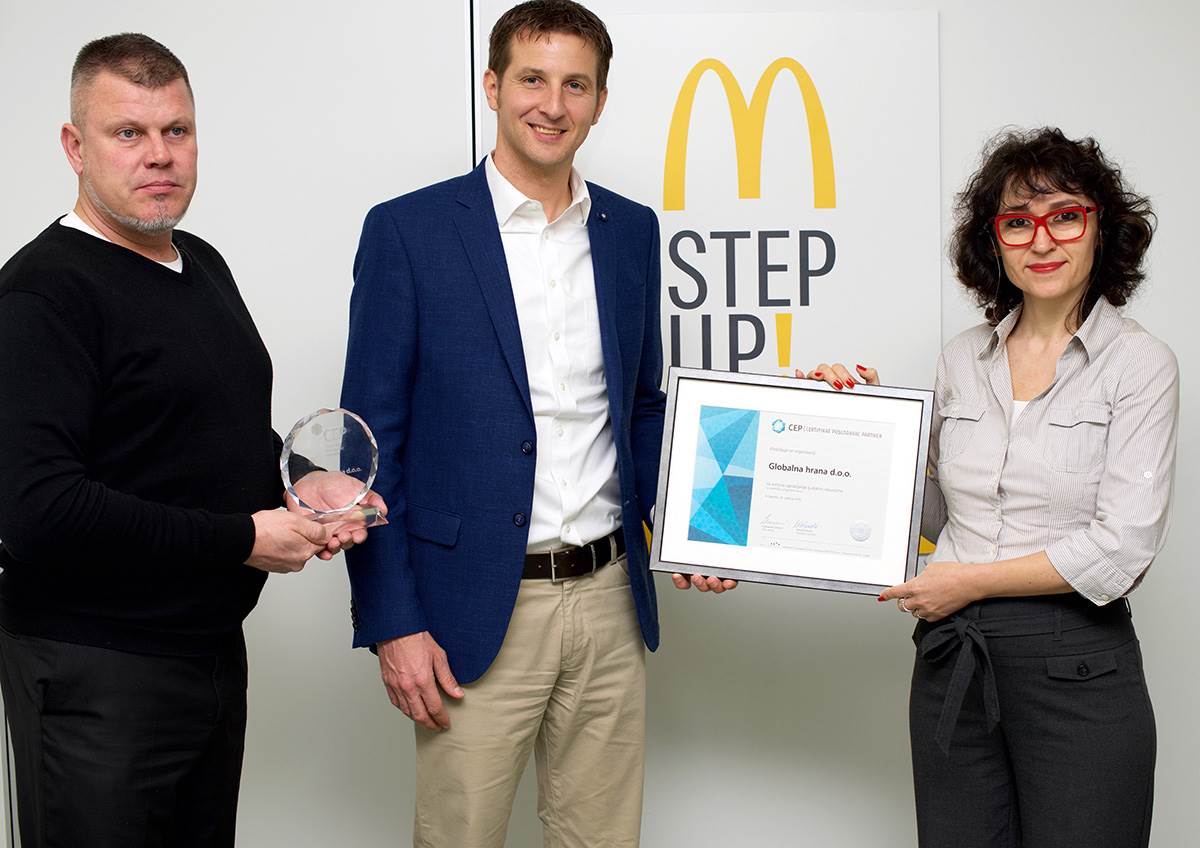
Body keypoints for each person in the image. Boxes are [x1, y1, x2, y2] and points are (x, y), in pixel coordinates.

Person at [340, 2, 733, 845]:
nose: (553, 105)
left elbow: (642, 405)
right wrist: (392, 622)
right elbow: (367, 448)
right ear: (492, 86)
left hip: (609, 600)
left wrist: (699, 524)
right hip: (472, 608)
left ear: (600, 100)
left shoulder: (630, 230)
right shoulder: (408, 232)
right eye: (532, 79)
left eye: (576, 85)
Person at [0, 33, 381, 847]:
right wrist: (243, 538)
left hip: (206, 661)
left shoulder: (199, 263)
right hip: (92, 676)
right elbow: (39, 511)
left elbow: (201, 431)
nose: (159, 155)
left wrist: (299, 482)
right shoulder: (41, 293)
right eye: (128, 132)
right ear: (75, 146)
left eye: (176, 130)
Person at [806, 127, 1174, 847]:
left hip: (1077, 663)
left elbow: (1121, 548)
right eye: (1018, 223)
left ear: (1101, 227)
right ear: (994, 242)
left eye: (1065, 216)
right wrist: (865, 428)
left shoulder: (1139, 365)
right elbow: (934, 516)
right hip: (954, 661)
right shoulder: (961, 361)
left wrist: (969, 583)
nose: (1043, 240)